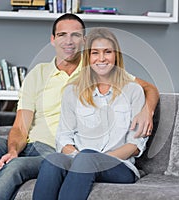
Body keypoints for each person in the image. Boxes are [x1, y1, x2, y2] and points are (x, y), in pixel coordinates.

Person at [0, 14, 158, 200]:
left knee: (24, 166)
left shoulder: (99, 70)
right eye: (62, 35)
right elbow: (22, 126)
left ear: (83, 42)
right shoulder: (44, 75)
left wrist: (147, 110)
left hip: (57, 151)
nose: (69, 41)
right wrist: (13, 150)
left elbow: (147, 88)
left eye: (76, 35)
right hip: (40, 147)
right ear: (53, 39)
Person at [33, 27, 148, 200]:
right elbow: (63, 137)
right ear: (88, 57)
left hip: (119, 166)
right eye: (95, 53)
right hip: (78, 159)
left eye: (107, 52)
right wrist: (77, 158)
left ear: (116, 55)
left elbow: (135, 144)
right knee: (53, 161)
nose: (101, 58)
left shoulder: (133, 91)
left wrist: (96, 159)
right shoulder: (72, 91)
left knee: (87, 158)